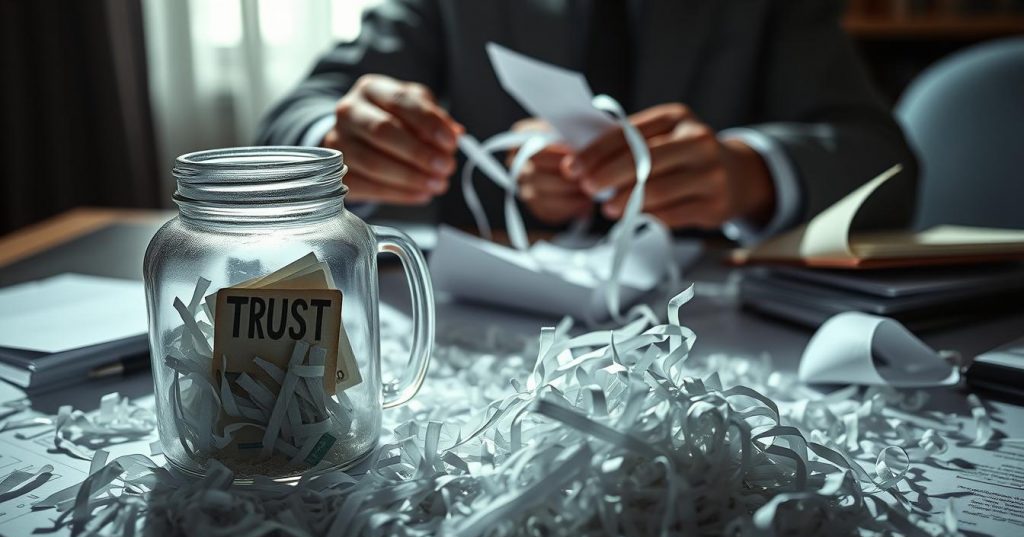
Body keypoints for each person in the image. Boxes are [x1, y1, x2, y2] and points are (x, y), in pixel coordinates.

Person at [257, 0, 917, 242]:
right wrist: (337, 144)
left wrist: (747, 174)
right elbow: (295, 117)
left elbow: (886, 161)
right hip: (483, 341)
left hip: (719, 336)